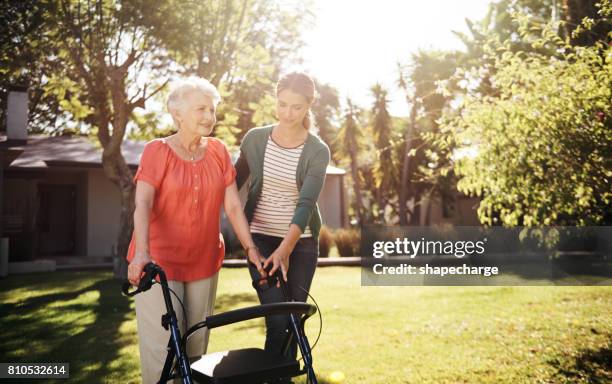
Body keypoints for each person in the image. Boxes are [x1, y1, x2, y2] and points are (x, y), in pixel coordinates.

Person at [126, 77, 265, 384]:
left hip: (203, 260)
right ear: (177, 114)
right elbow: (144, 204)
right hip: (158, 261)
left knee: (196, 348)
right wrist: (142, 255)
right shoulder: (156, 151)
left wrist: (251, 249)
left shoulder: (217, 151)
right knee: (164, 349)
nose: (209, 116)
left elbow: (231, 207)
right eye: (201, 109)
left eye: (212, 110)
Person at [235, 72, 330, 370]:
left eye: (297, 107)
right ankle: (272, 376)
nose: (288, 113)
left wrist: (286, 250)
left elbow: (305, 204)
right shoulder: (255, 139)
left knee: (294, 317)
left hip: (300, 244)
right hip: (259, 239)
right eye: (282, 104)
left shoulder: (317, 150)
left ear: (308, 106)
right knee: (277, 318)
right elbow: (229, 184)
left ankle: (283, 375)